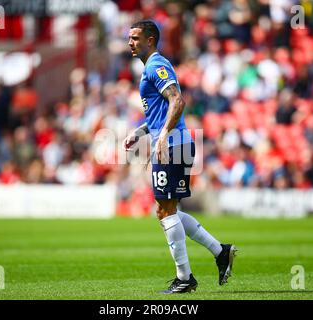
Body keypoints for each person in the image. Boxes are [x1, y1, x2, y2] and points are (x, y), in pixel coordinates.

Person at [123, 20, 237, 294]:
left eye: (136, 38)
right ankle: (220, 251)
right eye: (129, 37)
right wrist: (141, 132)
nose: (130, 42)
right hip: (174, 143)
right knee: (167, 210)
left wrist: (161, 136)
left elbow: (178, 100)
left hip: (173, 145)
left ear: (150, 40)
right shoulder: (149, 68)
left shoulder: (155, 66)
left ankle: (185, 279)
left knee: (164, 211)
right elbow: (160, 112)